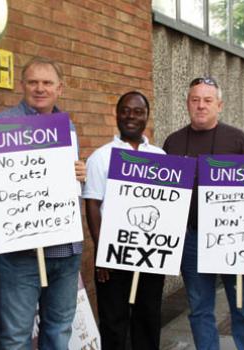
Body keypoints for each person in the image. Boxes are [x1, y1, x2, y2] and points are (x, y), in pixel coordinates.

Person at [163, 76, 244, 350]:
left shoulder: (237, 140)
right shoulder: (172, 143)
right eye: (195, 100)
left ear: (219, 105)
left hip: (233, 239)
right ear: (187, 103)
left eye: (207, 100)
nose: (200, 105)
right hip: (192, 240)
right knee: (199, 309)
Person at [0, 57, 86, 350]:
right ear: (22, 86)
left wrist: (78, 174)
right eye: (33, 82)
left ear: (60, 88)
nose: (40, 88)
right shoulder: (2, 125)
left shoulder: (67, 128)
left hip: (65, 251)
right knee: (15, 337)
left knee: (59, 332)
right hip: (23, 254)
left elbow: (66, 184)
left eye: (47, 83)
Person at [82, 91, 165, 350]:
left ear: (147, 117)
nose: (131, 116)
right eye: (126, 110)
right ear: (116, 115)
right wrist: (102, 253)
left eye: (138, 111)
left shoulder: (161, 157)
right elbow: (92, 205)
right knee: (114, 322)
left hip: (151, 256)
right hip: (113, 257)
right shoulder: (101, 157)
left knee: (148, 320)